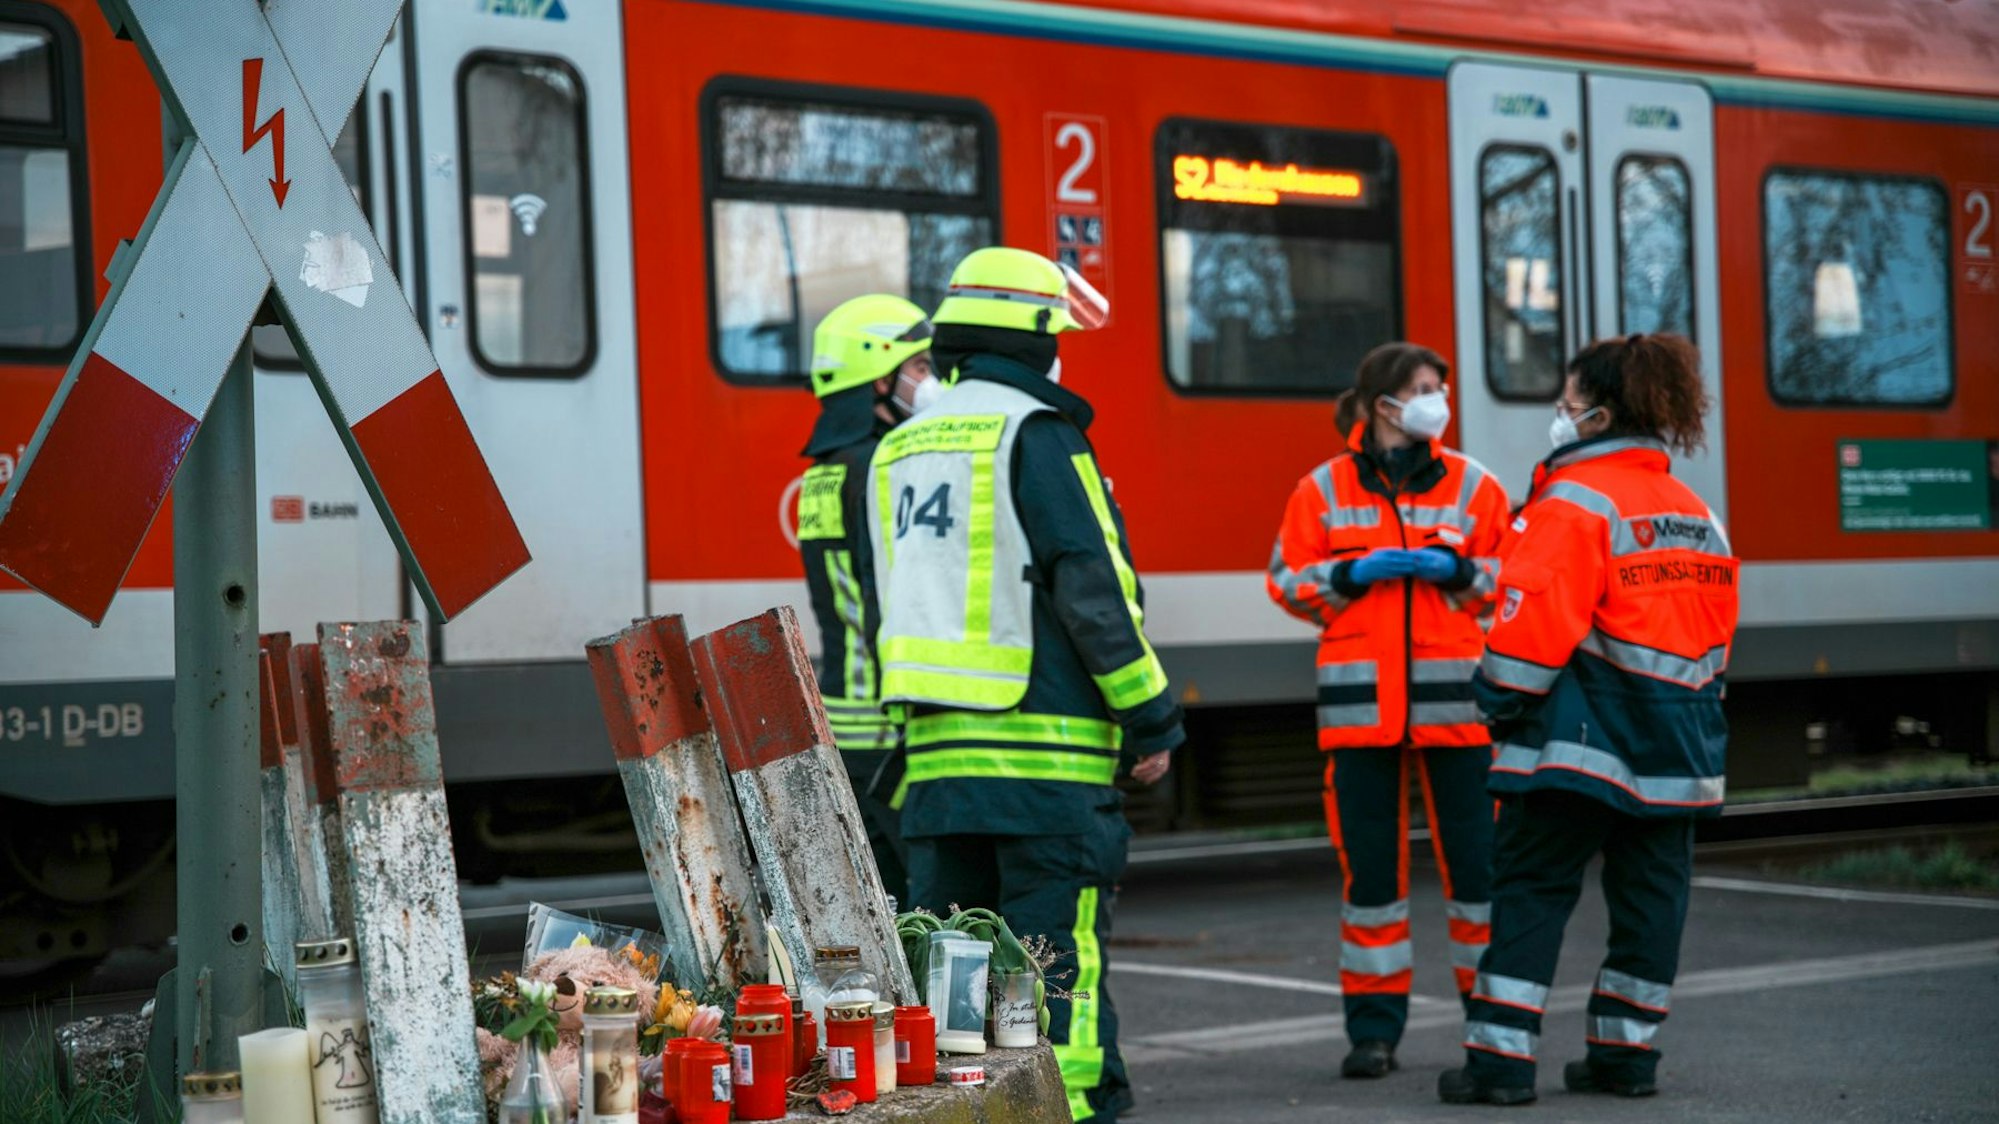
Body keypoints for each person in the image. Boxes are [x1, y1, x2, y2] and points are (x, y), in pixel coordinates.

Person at [868, 247, 1179, 1123]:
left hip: (933, 770)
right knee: (1046, 974)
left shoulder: (899, 447)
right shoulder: (1037, 435)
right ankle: (1073, 1111)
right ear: (1037, 338)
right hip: (1046, 764)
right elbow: (1093, 588)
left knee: (952, 978)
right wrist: (1152, 719)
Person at [1440, 333, 1739, 1106]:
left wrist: (1498, 702)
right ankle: (1624, 1059)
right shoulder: (1694, 512)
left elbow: (1530, 626)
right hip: (1681, 743)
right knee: (1650, 904)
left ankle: (1500, 1064)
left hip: (1577, 747)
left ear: (1599, 415)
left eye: (1567, 402)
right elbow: (1713, 637)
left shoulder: (1573, 502)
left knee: (1533, 889)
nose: (1558, 415)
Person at [1266, 342, 1511, 1079]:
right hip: (1360, 716)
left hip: (1459, 713)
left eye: (1438, 386)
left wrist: (1461, 570)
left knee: (1477, 876)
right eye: (1424, 388)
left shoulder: (1474, 486)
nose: (1438, 399)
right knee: (1370, 884)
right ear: (1384, 406)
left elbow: (1510, 578)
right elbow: (1286, 580)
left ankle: (1493, 1025)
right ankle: (1372, 1034)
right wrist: (1348, 572)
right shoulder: (1321, 488)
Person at [798, 293, 939, 904]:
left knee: (876, 913)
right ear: (880, 379)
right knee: (937, 913)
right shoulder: (884, 467)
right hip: (891, 732)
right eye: (921, 368)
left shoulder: (822, 471)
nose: (929, 382)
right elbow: (892, 599)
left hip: (845, 726)